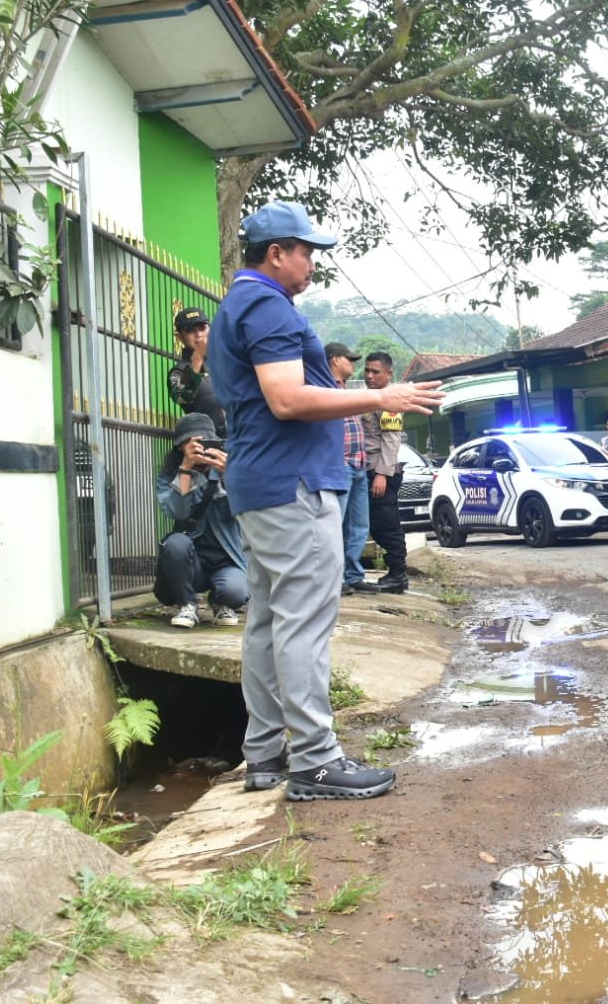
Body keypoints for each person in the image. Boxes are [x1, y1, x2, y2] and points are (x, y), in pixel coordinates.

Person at [209, 201, 443, 802]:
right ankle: (314, 761)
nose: (313, 262)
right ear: (276, 253)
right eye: (307, 251)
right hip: (293, 485)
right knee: (304, 622)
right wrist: (381, 395)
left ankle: (265, 753)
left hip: (261, 482)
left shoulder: (238, 303)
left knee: (267, 618)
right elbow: (287, 399)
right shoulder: (266, 305)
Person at [153, 412, 247, 628]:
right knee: (175, 543)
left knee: (236, 593)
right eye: (192, 443)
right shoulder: (172, 474)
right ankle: (187, 604)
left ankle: (220, 603)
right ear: (180, 447)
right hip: (190, 557)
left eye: (205, 442)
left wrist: (229, 475)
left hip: (226, 555)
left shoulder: (231, 467)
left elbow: (245, 510)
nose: (200, 448)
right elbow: (178, 512)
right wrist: (186, 468)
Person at [324, 342, 377, 595]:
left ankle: (353, 575)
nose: (353, 364)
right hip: (340, 465)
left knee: (359, 525)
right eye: (349, 359)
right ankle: (335, 578)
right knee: (335, 525)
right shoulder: (325, 389)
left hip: (358, 464)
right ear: (334, 360)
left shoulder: (345, 390)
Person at [362, 351, 411, 594]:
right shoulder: (370, 397)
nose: (369, 376)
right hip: (369, 469)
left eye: (376, 372)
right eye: (367, 370)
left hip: (381, 472)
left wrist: (382, 473)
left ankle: (398, 575)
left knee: (387, 525)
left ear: (389, 373)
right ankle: (395, 574)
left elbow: (392, 440)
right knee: (376, 525)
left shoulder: (389, 401)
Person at [167, 307, 227, 437]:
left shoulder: (225, 363)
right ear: (180, 337)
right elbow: (180, 396)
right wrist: (197, 359)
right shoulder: (179, 371)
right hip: (210, 446)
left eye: (202, 328)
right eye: (190, 330)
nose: (198, 334)